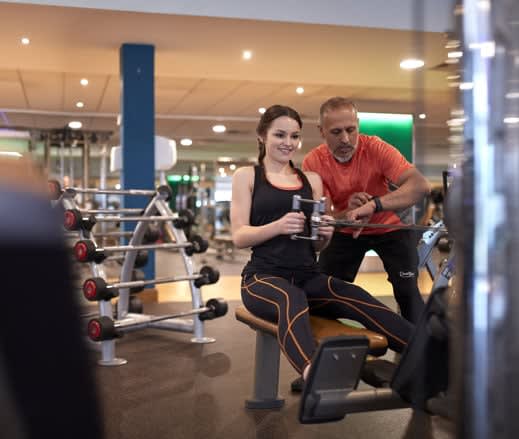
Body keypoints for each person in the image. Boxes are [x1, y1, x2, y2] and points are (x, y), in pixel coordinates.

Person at [231, 104, 413, 382]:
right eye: (280, 135)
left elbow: (315, 247)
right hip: (263, 278)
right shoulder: (247, 176)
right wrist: (277, 226)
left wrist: (324, 235)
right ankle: (314, 375)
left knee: (355, 295)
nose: (288, 143)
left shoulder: (310, 180)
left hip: (307, 275)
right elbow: (239, 236)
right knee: (290, 298)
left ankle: (431, 354)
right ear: (262, 136)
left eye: (294, 136)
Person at [302, 97, 431, 324]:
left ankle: (420, 355)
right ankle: (327, 353)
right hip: (345, 230)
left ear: (358, 124)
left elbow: (420, 185)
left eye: (351, 130)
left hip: (390, 228)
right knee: (320, 293)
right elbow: (324, 218)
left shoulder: (376, 148)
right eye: (336, 132)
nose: (345, 139)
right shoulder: (314, 162)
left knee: (408, 293)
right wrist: (349, 212)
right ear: (321, 132)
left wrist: (373, 205)